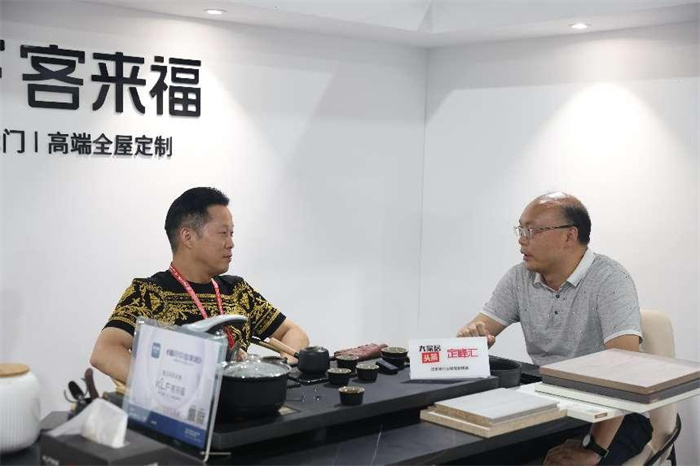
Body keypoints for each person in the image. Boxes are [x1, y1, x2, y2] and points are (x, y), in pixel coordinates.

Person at [457, 192, 652, 465]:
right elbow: (472, 335)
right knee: (464, 455)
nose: (521, 239)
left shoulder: (610, 279)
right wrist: (471, 342)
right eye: (520, 230)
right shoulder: (519, 278)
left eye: (532, 230)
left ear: (569, 236)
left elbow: (624, 370)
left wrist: (594, 449)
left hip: (616, 416)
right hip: (553, 405)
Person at [91, 187, 309, 383]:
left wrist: (282, 370)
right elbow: (104, 351)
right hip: (184, 409)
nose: (231, 243)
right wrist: (168, 387)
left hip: (243, 404)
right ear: (188, 237)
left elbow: (293, 332)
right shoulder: (148, 293)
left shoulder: (238, 291)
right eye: (223, 233)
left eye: (231, 233)